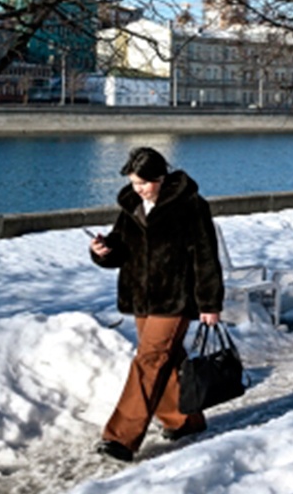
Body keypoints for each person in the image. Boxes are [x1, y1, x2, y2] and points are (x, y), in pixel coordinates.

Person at [89, 147, 224, 462]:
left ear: (161, 177)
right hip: (141, 299)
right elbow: (120, 251)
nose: (138, 189)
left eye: (144, 183)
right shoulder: (131, 207)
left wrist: (210, 302)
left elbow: (206, 258)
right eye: (134, 183)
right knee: (165, 358)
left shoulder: (191, 206)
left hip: (175, 299)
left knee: (149, 359)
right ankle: (185, 420)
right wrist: (103, 250)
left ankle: (120, 438)